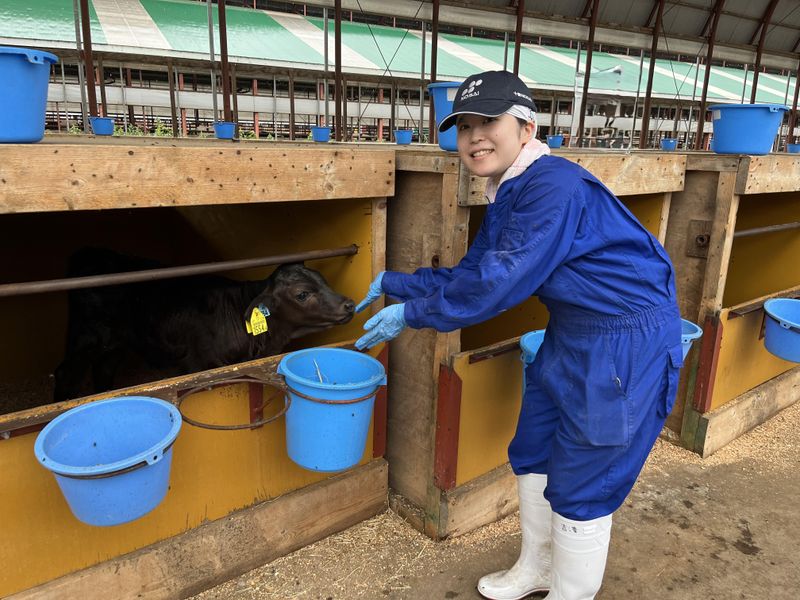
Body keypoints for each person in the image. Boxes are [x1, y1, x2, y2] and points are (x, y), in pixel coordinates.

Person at [354, 70, 683, 600]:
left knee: (584, 480)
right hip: (573, 332)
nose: (474, 137)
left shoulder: (552, 186)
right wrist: (398, 284)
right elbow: (475, 271)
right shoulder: (511, 189)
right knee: (533, 449)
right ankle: (538, 568)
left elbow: (496, 284)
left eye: (489, 121)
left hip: (623, 343)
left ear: (527, 128)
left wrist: (413, 314)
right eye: (464, 127)